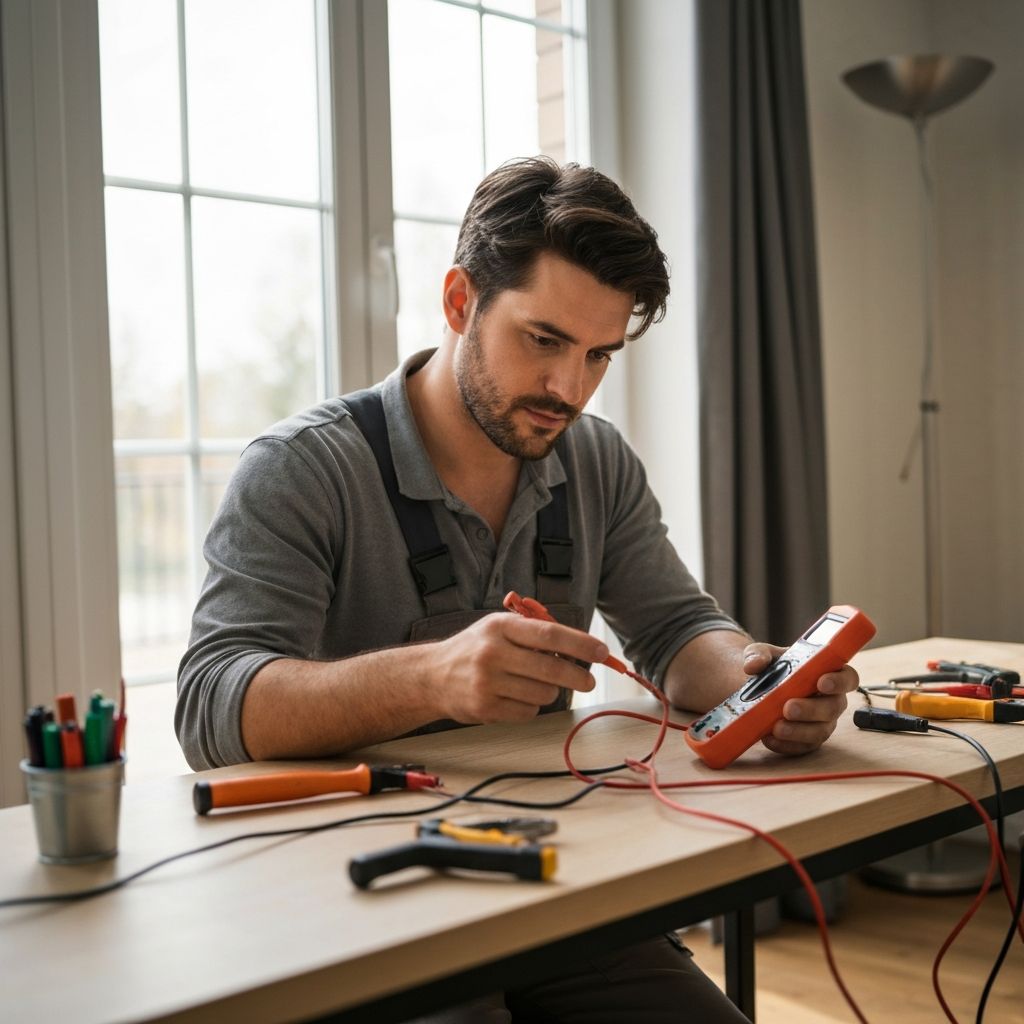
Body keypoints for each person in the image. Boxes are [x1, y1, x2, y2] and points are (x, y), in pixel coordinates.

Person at [176, 156, 858, 1022]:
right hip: (360, 913)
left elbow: (675, 630)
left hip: (553, 885)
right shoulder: (301, 470)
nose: (569, 390)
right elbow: (209, 707)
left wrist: (759, 680)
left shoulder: (596, 460)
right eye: (544, 341)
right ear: (460, 301)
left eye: (598, 355)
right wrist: (430, 678)